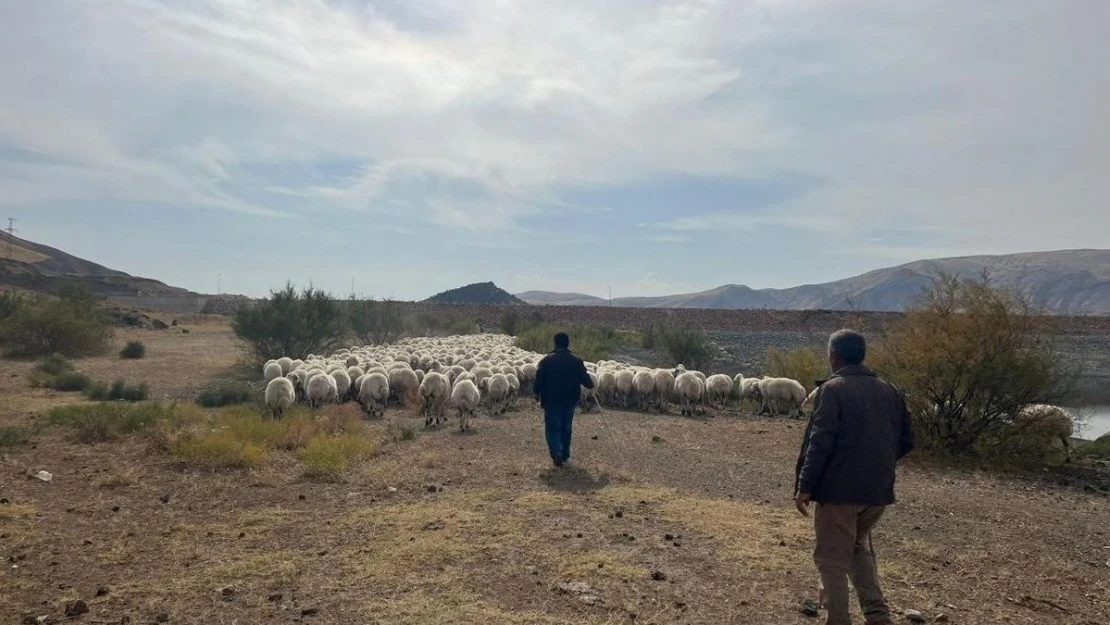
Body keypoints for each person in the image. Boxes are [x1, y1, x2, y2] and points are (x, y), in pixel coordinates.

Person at [794, 329, 914, 625]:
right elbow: (907, 439)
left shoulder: (833, 390)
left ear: (833, 356)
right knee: (858, 549)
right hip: (876, 493)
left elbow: (819, 442)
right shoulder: (890, 390)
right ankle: (878, 617)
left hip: (838, 494)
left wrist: (805, 486)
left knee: (831, 560)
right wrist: (877, 464)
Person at [533, 332, 594, 468]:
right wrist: (590, 383)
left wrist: (536, 392)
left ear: (555, 343)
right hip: (570, 399)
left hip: (551, 399)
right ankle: (565, 454)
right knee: (566, 427)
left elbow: (539, 379)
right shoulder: (576, 360)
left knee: (552, 427)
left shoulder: (546, 360)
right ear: (567, 344)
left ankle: (557, 451)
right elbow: (586, 380)